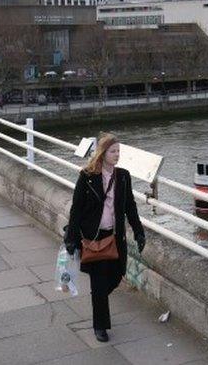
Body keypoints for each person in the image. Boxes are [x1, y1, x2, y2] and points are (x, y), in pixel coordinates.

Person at [64, 133, 146, 343]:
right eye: (113, 151)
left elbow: (130, 206)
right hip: (93, 238)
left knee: (117, 276)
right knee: (99, 284)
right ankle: (100, 326)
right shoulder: (87, 176)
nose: (117, 155)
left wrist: (138, 231)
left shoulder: (124, 176)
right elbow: (77, 208)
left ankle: (98, 299)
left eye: (119, 151)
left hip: (115, 237)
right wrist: (71, 237)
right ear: (103, 153)